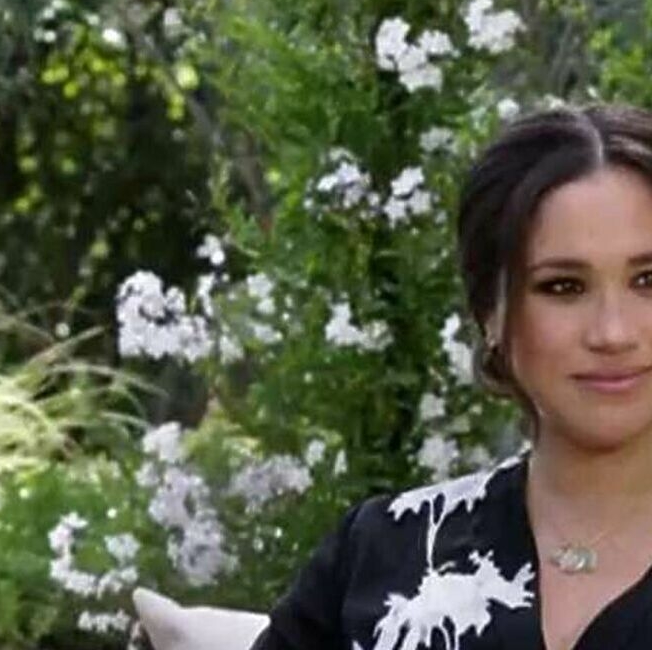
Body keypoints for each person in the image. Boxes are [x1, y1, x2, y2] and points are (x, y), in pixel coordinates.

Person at [252, 104, 652, 650]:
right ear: (490, 312)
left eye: (648, 280)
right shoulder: (382, 553)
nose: (613, 332)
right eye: (563, 287)